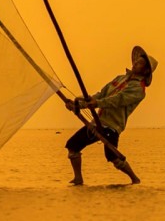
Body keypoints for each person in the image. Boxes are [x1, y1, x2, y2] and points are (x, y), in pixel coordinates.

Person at [62, 45, 157, 185]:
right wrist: (78, 104)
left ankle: (135, 179)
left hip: (111, 126)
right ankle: (78, 179)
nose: (136, 63)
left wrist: (96, 103)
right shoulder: (120, 78)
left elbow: (117, 100)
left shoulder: (138, 89)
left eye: (141, 63)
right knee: (72, 145)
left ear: (146, 70)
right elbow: (100, 95)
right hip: (98, 121)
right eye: (137, 61)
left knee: (113, 156)